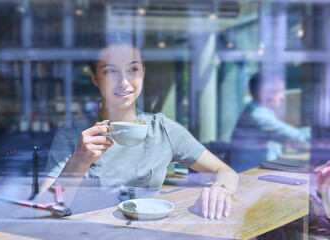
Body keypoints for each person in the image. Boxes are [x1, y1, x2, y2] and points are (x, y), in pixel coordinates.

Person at [41, 34, 238, 220]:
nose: (123, 82)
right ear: (95, 78)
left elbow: (225, 171)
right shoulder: (75, 134)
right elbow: (46, 208)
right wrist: (79, 161)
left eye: (133, 69)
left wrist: (220, 189)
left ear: (143, 72)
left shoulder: (163, 129)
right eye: (110, 71)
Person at [230, 73, 311, 173]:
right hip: (249, 177)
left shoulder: (260, 112)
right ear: (265, 94)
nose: (283, 97)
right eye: (278, 91)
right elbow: (301, 139)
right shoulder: (258, 116)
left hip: (256, 174)